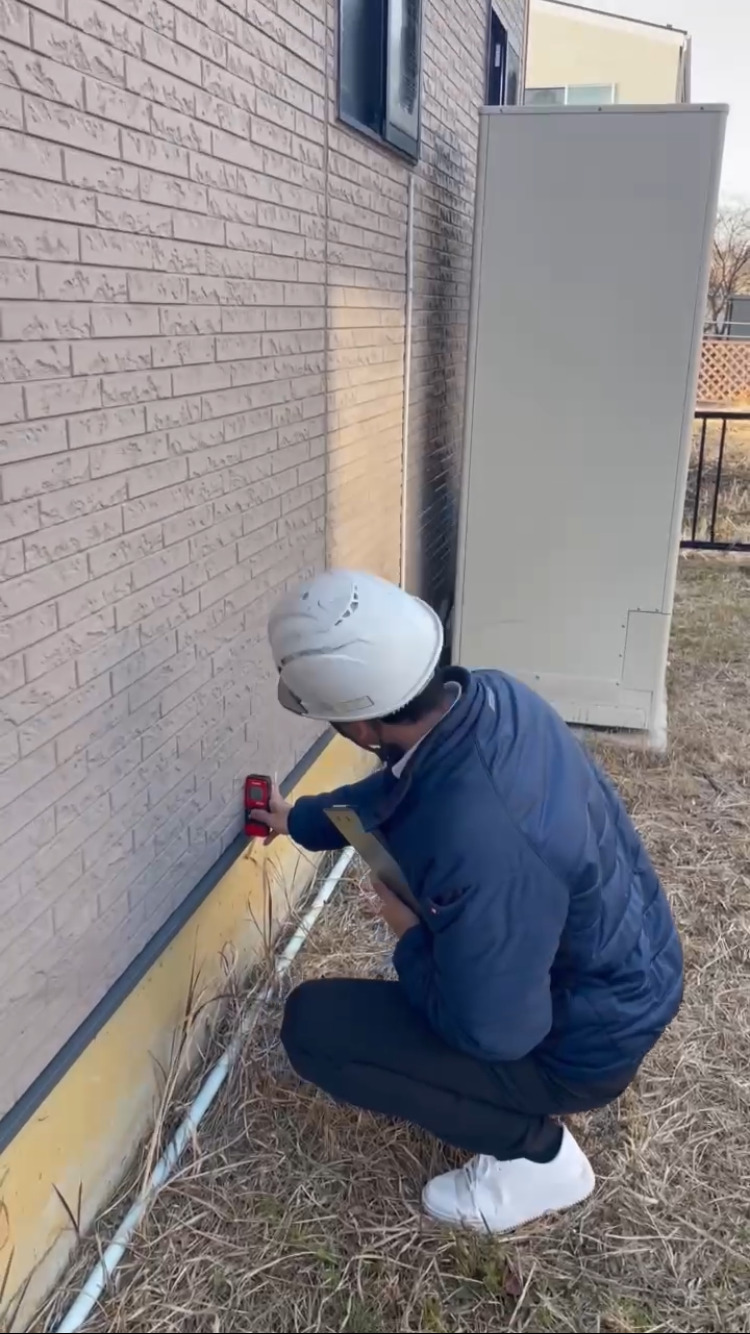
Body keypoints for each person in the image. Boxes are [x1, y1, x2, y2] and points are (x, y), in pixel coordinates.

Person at [255, 569, 683, 1233]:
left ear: (363, 728)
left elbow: (493, 1031)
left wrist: (410, 936)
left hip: (586, 1041)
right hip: (627, 966)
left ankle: (539, 1159)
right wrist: (301, 820)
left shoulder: (477, 836)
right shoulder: (490, 700)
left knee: (316, 1028)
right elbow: (395, 793)